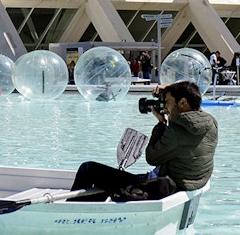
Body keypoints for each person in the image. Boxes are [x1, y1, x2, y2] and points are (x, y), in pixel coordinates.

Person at [70, 81, 218, 200]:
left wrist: (161, 124)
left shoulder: (178, 130)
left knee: (88, 169)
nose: (165, 108)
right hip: (184, 184)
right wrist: (169, 88)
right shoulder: (210, 123)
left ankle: (70, 215)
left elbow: (152, 157)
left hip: (163, 187)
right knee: (109, 181)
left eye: (167, 102)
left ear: (183, 102)